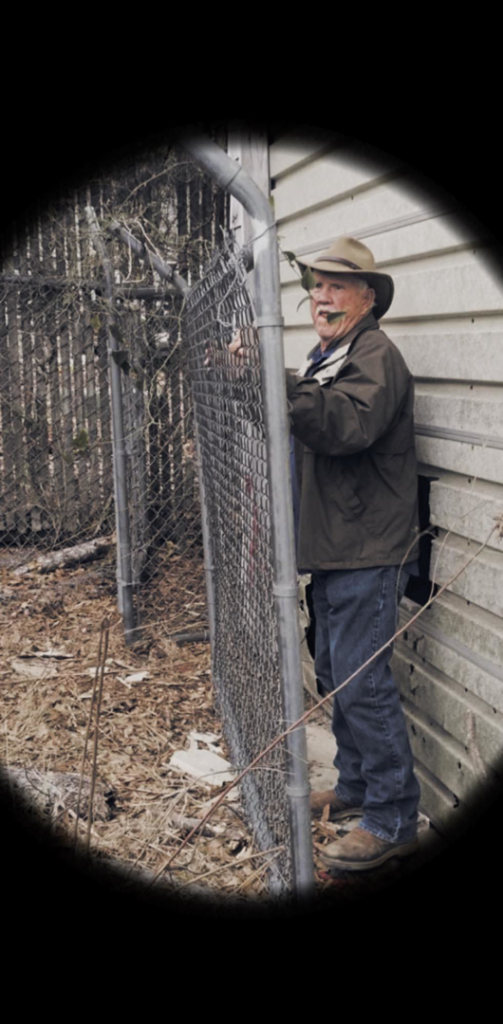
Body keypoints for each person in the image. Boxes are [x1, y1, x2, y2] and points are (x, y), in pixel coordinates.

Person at [285, 236, 421, 872]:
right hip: (339, 542)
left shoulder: (375, 355)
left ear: (368, 299)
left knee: (364, 683)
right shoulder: (329, 354)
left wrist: (276, 384)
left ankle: (392, 818)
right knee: (339, 672)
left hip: (368, 545)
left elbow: (346, 425)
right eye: (317, 284)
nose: (322, 295)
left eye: (338, 286)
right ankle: (357, 787)